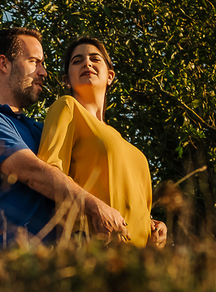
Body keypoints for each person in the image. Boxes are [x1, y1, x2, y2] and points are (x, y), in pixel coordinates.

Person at [0, 27, 129, 248]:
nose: (43, 72)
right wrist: (94, 206)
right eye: (34, 62)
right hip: (16, 260)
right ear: (4, 64)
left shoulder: (40, 130)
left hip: (62, 259)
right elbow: (33, 173)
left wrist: (144, 221)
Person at [38, 37, 166, 248]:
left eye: (95, 59)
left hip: (140, 256)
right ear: (67, 80)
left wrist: (154, 225)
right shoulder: (68, 107)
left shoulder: (122, 141)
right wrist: (94, 207)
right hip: (94, 247)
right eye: (77, 61)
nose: (87, 63)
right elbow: (48, 173)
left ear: (110, 76)